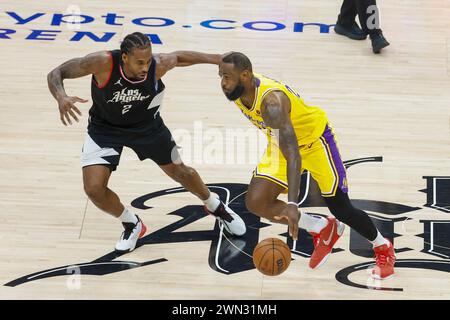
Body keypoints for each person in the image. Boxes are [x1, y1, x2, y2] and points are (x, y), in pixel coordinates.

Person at [47, 32, 246, 253]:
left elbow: (178, 58)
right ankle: (132, 223)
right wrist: (61, 96)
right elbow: (56, 73)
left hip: (148, 128)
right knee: (93, 189)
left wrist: (217, 58)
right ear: (124, 58)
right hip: (105, 129)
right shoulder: (102, 63)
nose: (145, 67)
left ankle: (215, 206)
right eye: (139, 62)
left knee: (182, 172)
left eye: (148, 60)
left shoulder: (157, 66)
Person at [218, 52, 396, 279]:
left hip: (315, 142)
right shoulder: (239, 86)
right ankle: (322, 227)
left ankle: (383, 248)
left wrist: (292, 203)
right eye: (221, 76)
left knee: (341, 208)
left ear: (245, 75)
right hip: (280, 143)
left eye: (227, 77)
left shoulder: (271, 103)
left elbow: (294, 155)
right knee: (256, 202)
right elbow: (215, 58)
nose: (223, 83)